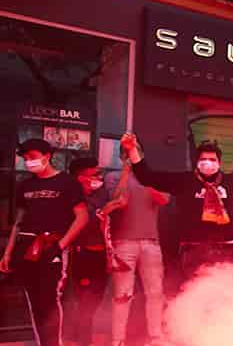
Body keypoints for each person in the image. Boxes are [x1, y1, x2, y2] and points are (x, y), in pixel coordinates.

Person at [120, 134, 233, 283]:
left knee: (223, 298)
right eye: (203, 159)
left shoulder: (232, 183)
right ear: (197, 162)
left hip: (226, 251)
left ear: (219, 163)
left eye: (212, 159)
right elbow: (147, 177)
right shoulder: (184, 181)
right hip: (193, 251)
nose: (208, 163)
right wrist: (132, 150)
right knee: (194, 297)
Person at [0, 139, 89, 346]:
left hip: (53, 245)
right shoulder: (25, 185)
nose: (28, 161)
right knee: (34, 303)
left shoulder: (67, 182)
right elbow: (18, 222)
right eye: (25, 158)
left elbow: (82, 217)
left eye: (32, 157)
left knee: (50, 301)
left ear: (47, 156)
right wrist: (7, 253)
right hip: (26, 248)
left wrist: (60, 246)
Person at [104, 159, 171, 346]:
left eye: (134, 153)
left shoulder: (154, 178)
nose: (130, 158)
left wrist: (147, 179)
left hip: (151, 243)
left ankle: (155, 337)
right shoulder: (113, 177)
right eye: (126, 154)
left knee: (155, 293)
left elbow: (163, 200)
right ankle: (118, 340)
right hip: (123, 243)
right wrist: (126, 173)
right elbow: (118, 201)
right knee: (121, 294)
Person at [63, 158, 113, 346]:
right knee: (84, 301)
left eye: (99, 174)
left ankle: (83, 339)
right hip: (81, 256)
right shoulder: (72, 201)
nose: (99, 179)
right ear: (79, 177)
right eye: (93, 175)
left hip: (101, 257)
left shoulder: (101, 197)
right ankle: (80, 340)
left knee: (93, 302)